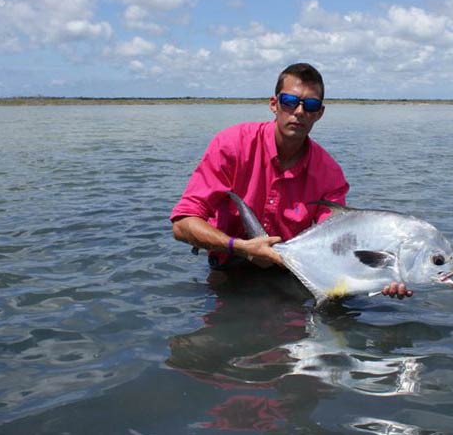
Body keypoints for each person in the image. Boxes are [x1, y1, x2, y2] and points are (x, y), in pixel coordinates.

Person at [171, 63, 412, 299]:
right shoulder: (231, 146)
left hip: (294, 270)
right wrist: (240, 247)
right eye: (289, 102)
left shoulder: (330, 174)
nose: (298, 112)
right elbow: (182, 225)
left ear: (319, 113)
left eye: (310, 105)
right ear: (274, 104)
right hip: (229, 262)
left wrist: (380, 278)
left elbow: (336, 246)